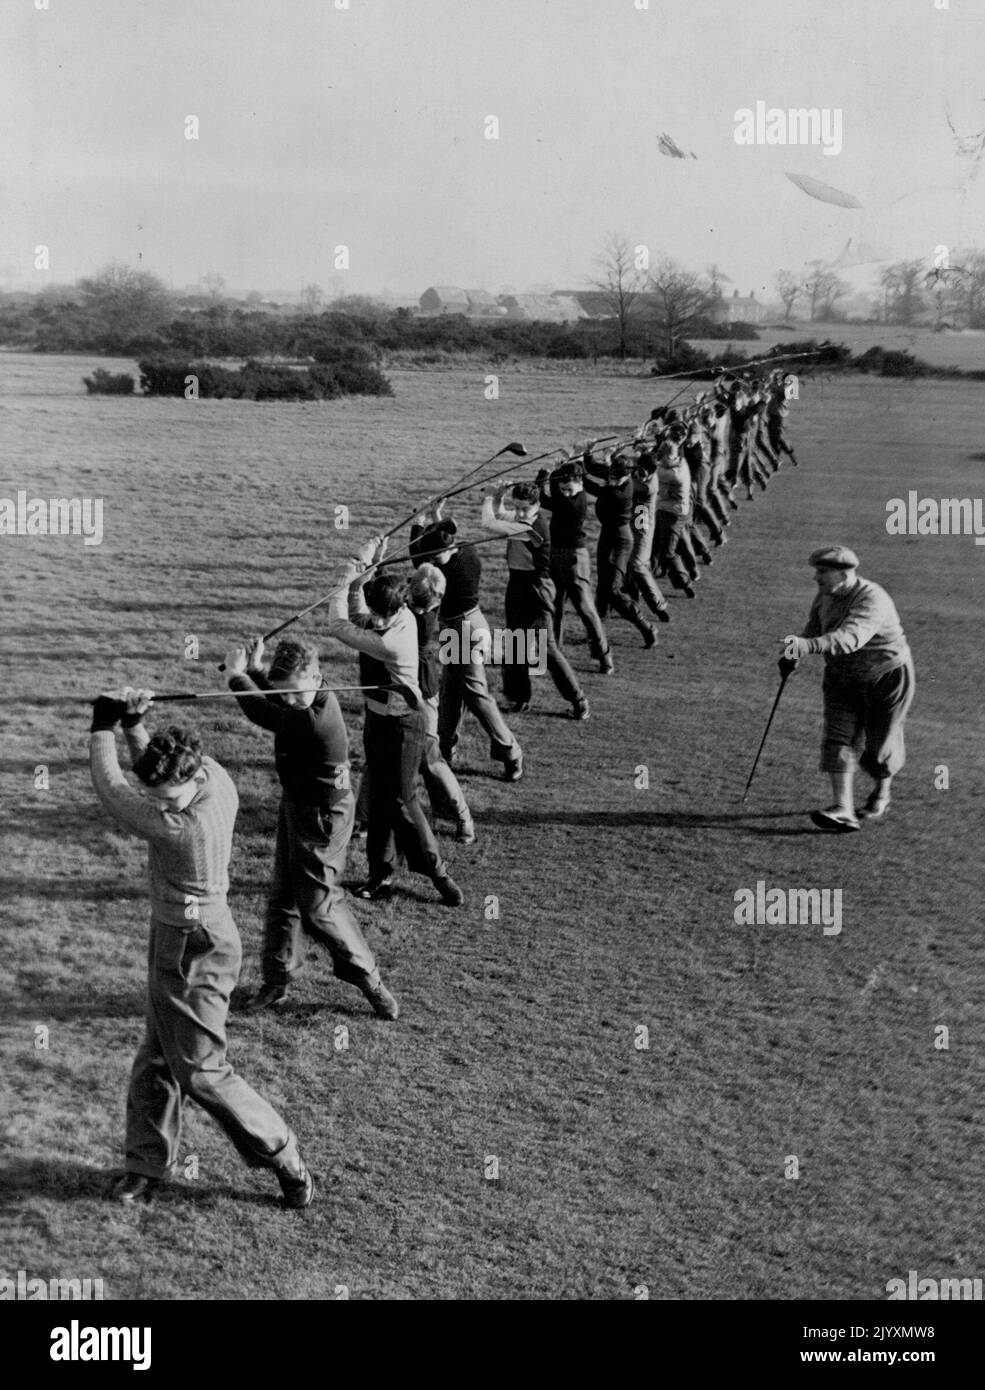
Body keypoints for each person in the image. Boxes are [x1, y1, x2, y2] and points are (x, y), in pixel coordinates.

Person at [88, 689, 314, 1208]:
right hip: (185, 934)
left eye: (168, 797)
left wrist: (103, 725)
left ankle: (282, 1152)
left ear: (190, 781)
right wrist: (135, 725)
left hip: (194, 945)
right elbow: (154, 773)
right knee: (157, 1052)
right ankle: (146, 1163)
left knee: (200, 1069)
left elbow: (114, 791)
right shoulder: (211, 772)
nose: (160, 804)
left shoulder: (177, 829)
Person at [224, 636, 399, 1019]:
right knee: (283, 894)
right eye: (285, 692)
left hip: (323, 817)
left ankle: (371, 980)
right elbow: (278, 701)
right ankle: (277, 981)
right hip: (298, 804)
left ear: (317, 676)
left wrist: (237, 676)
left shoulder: (314, 719)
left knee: (318, 907)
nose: (289, 699)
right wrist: (255, 669)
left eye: (295, 693)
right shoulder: (302, 698)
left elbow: (264, 712)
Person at [324, 536, 465, 905]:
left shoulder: (387, 641)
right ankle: (380, 873)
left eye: (379, 615)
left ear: (392, 610)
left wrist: (348, 572)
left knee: (402, 801)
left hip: (403, 726)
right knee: (385, 800)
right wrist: (370, 566)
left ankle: (438, 872)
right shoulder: (399, 612)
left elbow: (339, 624)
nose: (374, 620)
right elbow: (359, 609)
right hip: (379, 720)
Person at [779, 546, 915, 832]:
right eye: (817, 571)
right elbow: (814, 628)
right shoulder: (825, 595)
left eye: (823, 572)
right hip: (841, 677)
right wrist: (795, 652)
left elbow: (851, 638)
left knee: (878, 751)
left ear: (843, 573)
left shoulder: (871, 598)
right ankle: (843, 809)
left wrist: (808, 646)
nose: (817, 578)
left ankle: (882, 791)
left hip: (886, 677)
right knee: (837, 738)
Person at [410, 507, 524, 779]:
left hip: (462, 632)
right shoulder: (467, 551)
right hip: (470, 624)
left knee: (476, 695)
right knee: (451, 692)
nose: (432, 560)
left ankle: (511, 752)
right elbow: (444, 535)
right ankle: (445, 750)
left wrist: (417, 522)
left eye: (435, 556)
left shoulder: (446, 573)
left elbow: (417, 560)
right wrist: (436, 517)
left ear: (445, 552)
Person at [481, 480, 590, 717]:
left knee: (546, 649)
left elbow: (488, 523)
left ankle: (578, 699)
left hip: (536, 589)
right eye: (517, 507)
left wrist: (489, 497)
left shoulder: (531, 529)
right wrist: (500, 497)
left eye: (524, 509)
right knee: (514, 643)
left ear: (537, 506)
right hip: (518, 585)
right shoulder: (524, 520)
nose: (519, 513)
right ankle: (519, 697)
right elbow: (501, 514)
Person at [538, 458, 615, 674]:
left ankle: (604, 655)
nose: (565, 493)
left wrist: (544, 474)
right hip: (555, 554)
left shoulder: (574, 503)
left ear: (580, 483)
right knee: (554, 607)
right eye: (562, 489)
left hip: (574, 559)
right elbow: (552, 490)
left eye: (569, 489)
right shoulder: (567, 494)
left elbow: (544, 498)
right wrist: (553, 471)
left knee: (585, 609)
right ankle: (554, 654)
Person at [583, 450, 659, 650]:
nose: (612, 480)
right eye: (611, 477)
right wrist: (587, 454)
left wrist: (576, 473)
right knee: (602, 586)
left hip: (621, 541)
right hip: (607, 537)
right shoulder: (616, 479)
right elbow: (595, 470)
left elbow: (591, 485)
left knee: (613, 590)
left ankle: (646, 627)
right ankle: (596, 633)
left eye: (617, 478)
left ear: (627, 475)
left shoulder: (620, 492)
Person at [627, 451, 671, 622]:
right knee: (633, 564)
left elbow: (628, 485)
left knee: (637, 565)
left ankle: (658, 605)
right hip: (639, 523)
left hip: (642, 528)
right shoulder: (646, 478)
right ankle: (633, 602)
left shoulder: (647, 486)